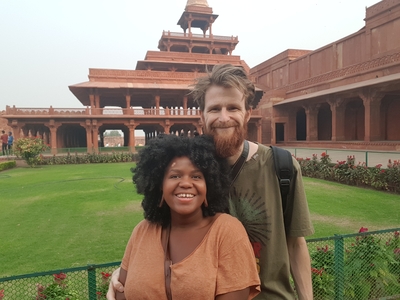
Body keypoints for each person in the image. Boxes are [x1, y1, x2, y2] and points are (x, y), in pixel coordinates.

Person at [108, 64, 314, 300]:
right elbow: (165, 235)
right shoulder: (192, 170)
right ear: (202, 116)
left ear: (247, 113)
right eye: (215, 108)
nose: (224, 117)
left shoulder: (281, 166)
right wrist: (128, 273)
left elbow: (296, 244)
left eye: (233, 108)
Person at [108, 134, 260, 300]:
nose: (186, 183)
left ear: (209, 185)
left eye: (196, 176)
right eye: (175, 176)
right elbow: (120, 291)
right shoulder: (143, 231)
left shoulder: (227, 231)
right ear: (160, 185)